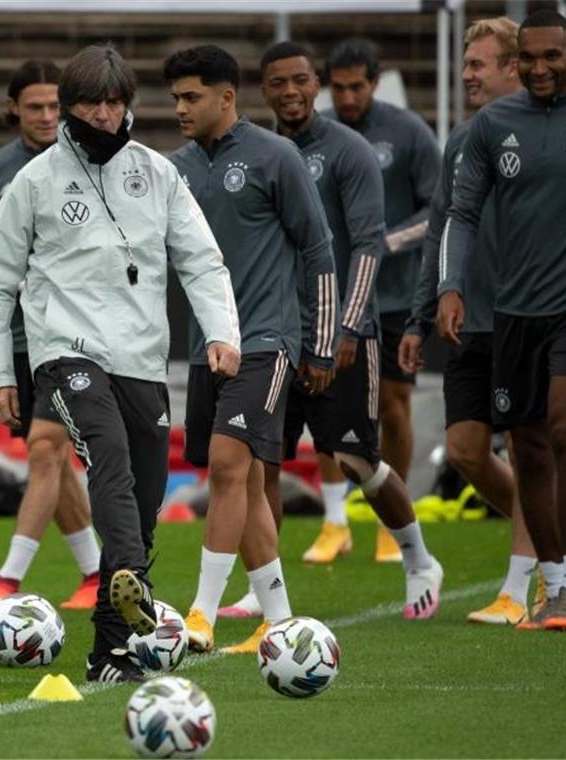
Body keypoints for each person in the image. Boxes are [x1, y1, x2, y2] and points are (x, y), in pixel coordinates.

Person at [0, 44, 240, 683]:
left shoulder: (158, 173)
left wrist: (222, 332)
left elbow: (201, 261)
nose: (103, 113)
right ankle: (126, 579)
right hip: (65, 354)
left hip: (143, 359)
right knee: (108, 454)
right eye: (90, 102)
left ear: (128, 105)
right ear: (69, 108)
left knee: (145, 504)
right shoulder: (34, 181)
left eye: (114, 101)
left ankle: (110, 651)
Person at [217, 41, 444, 632]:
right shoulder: (256, 152)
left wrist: (345, 325)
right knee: (261, 464)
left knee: (356, 459)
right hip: (271, 333)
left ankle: (418, 559)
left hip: (344, 333)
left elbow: (367, 243)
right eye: (277, 82)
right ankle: (260, 587)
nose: (290, 92)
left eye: (299, 80)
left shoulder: (349, 150)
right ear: (260, 91)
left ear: (313, 83)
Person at [162, 45, 336, 653]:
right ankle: (280, 617)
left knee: (229, 465)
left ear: (226, 97)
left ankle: (201, 615)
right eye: (176, 98)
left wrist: (320, 341)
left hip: (266, 339)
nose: (180, 108)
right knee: (252, 478)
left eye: (191, 97)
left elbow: (318, 249)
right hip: (207, 344)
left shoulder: (275, 156)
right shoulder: (171, 168)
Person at [438, 9, 566, 631]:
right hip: (511, 311)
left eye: (550, 56)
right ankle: (553, 587)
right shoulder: (492, 125)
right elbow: (463, 213)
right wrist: (451, 287)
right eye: (527, 58)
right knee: (527, 447)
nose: (538, 68)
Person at [399, 17, 540, 626]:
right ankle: (551, 539)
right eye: (465, 64)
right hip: (468, 318)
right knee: (464, 451)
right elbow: (441, 228)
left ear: (515, 67)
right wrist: (419, 313)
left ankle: (520, 585)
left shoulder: (549, 134)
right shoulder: (461, 140)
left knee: (533, 451)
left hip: (530, 313)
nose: (465, 76)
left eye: (479, 64)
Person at [0, 61, 102, 612]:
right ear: (13, 109)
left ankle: (9, 577)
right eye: (35, 107)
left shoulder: (85, 162)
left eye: (54, 107)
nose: (46, 117)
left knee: (47, 450)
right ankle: (97, 574)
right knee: (52, 457)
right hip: (20, 340)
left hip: (70, 336)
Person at [325, 38, 441, 562]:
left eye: (357, 86)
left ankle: (393, 524)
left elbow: (438, 209)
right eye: (339, 87)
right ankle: (333, 523)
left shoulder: (408, 131)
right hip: (330, 295)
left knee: (393, 408)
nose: (347, 97)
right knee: (322, 402)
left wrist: (384, 242)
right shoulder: (317, 132)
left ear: (374, 82)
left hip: (392, 296)